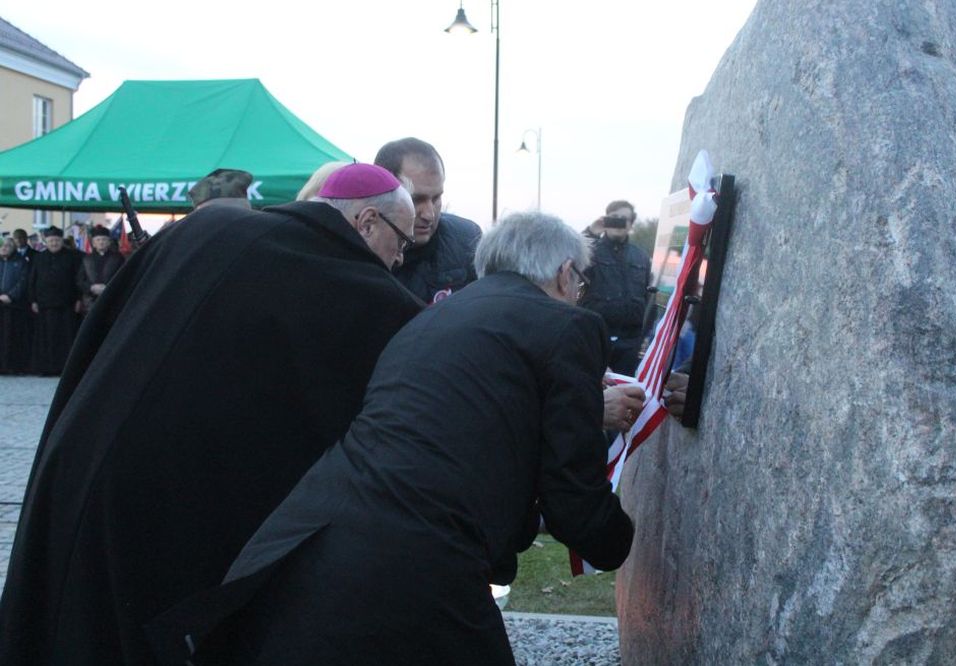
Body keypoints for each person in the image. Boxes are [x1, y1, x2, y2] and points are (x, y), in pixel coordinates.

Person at [148, 211, 634, 666]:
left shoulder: (437, 315)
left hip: (315, 532)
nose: (580, 294)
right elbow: (571, 488)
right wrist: (620, 541)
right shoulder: (567, 325)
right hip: (418, 557)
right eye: (582, 283)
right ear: (566, 273)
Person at [0, 164, 425, 666]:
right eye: (400, 243)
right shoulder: (350, 284)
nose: (398, 260)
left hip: (82, 453)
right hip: (163, 498)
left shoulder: (206, 228)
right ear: (368, 221)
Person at [375, 137, 482, 303]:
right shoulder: (355, 248)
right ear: (383, 193)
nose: (429, 214)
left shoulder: (468, 241)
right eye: (416, 199)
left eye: (436, 198)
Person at [579, 200, 652, 376]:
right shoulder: (590, 250)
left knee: (624, 391)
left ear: (631, 224)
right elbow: (570, 261)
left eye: (624, 219)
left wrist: (645, 334)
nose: (619, 223)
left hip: (629, 343)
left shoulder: (641, 256)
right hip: (594, 339)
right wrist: (590, 232)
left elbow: (648, 297)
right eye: (614, 218)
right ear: (605, 220)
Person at [27, 226, 81, 375]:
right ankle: (46, 368)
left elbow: (78, 280)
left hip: (67, 305)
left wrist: (78, 299)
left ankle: (64, 369)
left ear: (61, 240)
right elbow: (32, 280)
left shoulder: (73, 257)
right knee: (46, 339)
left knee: (65, 338)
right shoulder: (38, 257)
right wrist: (33, 300)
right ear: (46, 241)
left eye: (56, 240)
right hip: (44, 305)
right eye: (51, 241)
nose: (54, 243)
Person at [77, 225, 125, 314]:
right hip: (90, 303)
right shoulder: (86, 259)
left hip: (111, 300)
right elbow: (80, 280)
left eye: (104, 239)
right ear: (93, 243)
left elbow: (123, 278)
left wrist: (107, 288)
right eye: (98, 240)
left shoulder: (118, 258)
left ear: (109, 242)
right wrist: (91, 288)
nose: (101, 242)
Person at [0, 238, 30, 374]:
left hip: (14, 306)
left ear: (14, 248)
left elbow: (23, 282)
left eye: (8, 245)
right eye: (2, 245)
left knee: (12, 337)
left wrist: (10, 296)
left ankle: (11, 366)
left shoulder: (21, 262)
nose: (4, 248)